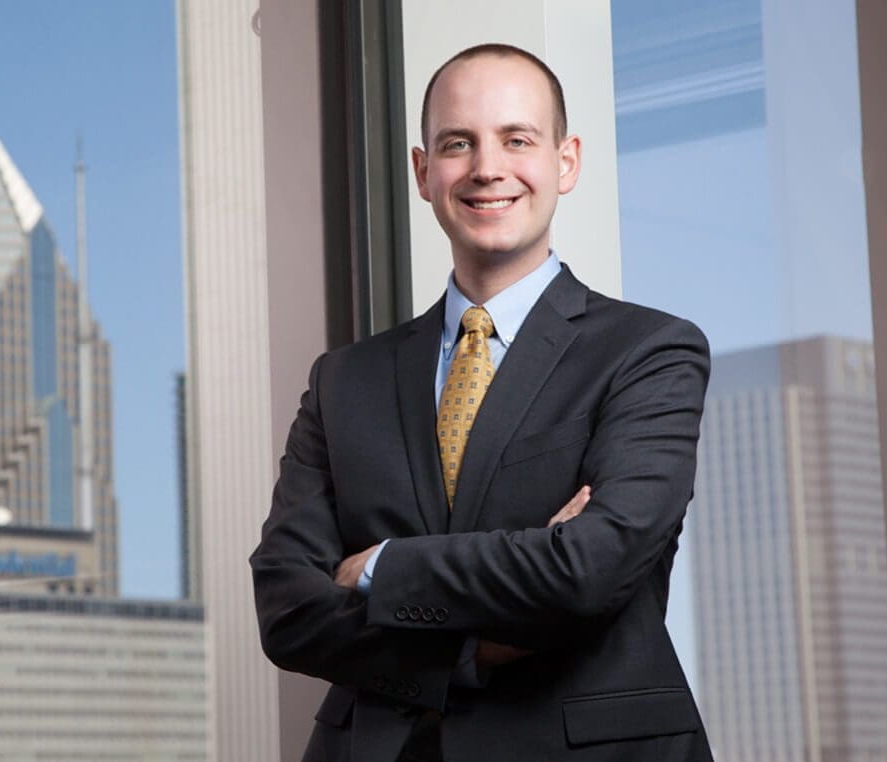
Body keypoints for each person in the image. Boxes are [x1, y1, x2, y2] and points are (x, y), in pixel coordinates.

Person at [250, 43, 713, 761]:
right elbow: (287, 609)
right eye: (457, 143)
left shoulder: (649, 352)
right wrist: (478, 648)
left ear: (565, 161)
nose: (487, 168)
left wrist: (382, 568)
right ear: (423, 172)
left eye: (516, 139)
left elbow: (591, 567)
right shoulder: (345, 379)